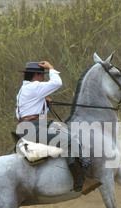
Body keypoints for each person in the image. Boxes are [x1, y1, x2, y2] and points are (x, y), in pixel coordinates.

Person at [15, 61, 90, 192]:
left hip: (30, 126)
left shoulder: (23, 90)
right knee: (70, 140)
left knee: (67, 131)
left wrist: (43, 101)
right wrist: (51, 68)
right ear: (35, 75)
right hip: (35, 128)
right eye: (42, 75)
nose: (44, 78)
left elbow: (27, 112)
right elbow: (57, 83)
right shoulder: (35, 87)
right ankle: (79, 180)